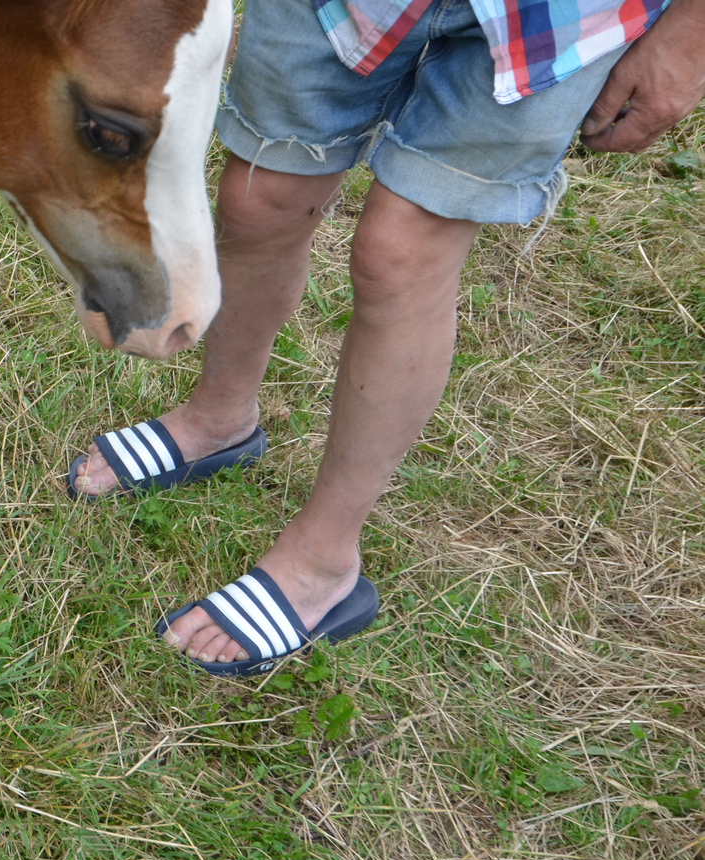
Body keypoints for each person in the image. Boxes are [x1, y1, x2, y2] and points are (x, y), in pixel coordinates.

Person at [68, 0, 705, 676]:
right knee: (260, 200)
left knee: (402, 256)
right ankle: (217, 420)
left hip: (559, 15)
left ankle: (322, 560)